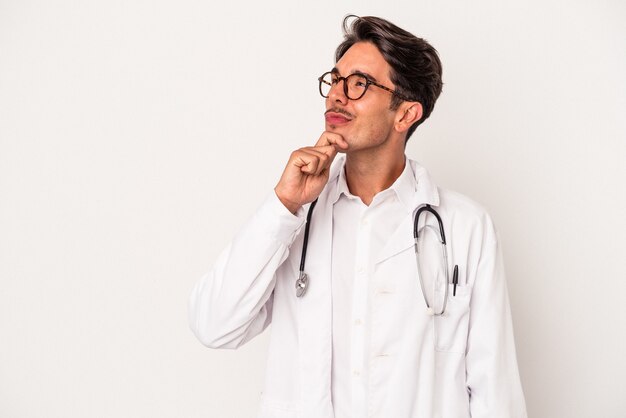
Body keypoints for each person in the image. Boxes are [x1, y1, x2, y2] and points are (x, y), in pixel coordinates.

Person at [189, 15, 527, 418]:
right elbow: (214, 325)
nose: (337, 96)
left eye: (359, 83)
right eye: (335, 80)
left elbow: (495, 391)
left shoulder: (466, 228)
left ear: (405, 115)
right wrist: (284, 205)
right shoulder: (296, 217)